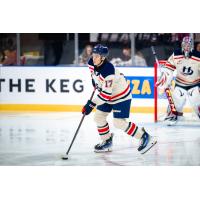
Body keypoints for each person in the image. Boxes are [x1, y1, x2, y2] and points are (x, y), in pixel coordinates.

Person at [82, 44, 157, 153]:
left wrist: (91, 104)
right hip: (108, 94)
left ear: (103, 57)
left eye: (97, 56)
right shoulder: (91, 62)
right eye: (93, 55)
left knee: (118, 122)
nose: (94, 58)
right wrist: (95, 82)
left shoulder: (108, 70)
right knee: (98, 117)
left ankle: (145, 136)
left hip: (121, 96)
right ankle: (107, 141)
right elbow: (93, 75)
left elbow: (105, 95)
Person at [156, 36, 200, 125]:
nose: (186, 47)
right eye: (185, 45)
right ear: (182, 45)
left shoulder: (198, 56)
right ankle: (172, 116)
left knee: (197, 102)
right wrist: (164, 83)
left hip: (194, 84)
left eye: (188, 45)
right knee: (176, 101)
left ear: (192, 46)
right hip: (180, 84)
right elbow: (168, 70)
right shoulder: (176, 54)